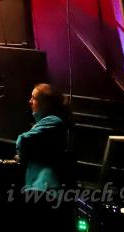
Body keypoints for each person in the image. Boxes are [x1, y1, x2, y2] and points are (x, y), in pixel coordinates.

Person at [15, 83, 75, 229]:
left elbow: (23, 141)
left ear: (45, 103)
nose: (30, 101)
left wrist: (23, 155)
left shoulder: (53, 121)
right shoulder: (46, 123)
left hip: (44, 189)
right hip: (39, 190)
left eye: (34, 98)